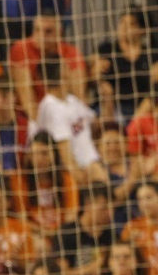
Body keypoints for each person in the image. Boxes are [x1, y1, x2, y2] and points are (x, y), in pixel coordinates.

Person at [35, 55, 105, 186]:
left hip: (92, 161)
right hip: (79, 170)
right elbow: (64, 150)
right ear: (62, 73)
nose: (71, 70)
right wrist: (77, 174)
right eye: (67, 67)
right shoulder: (51, 107)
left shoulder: (72, 100)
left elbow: (97, 125)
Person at [10, 8, 87, 110]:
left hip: (64, 113)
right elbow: (26, 99)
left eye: (48, 31)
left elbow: (79, 96)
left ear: (59, 33)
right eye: (37, 30)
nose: (41, 36)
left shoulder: (71, 53)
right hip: (30, 117)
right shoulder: (21, 49)